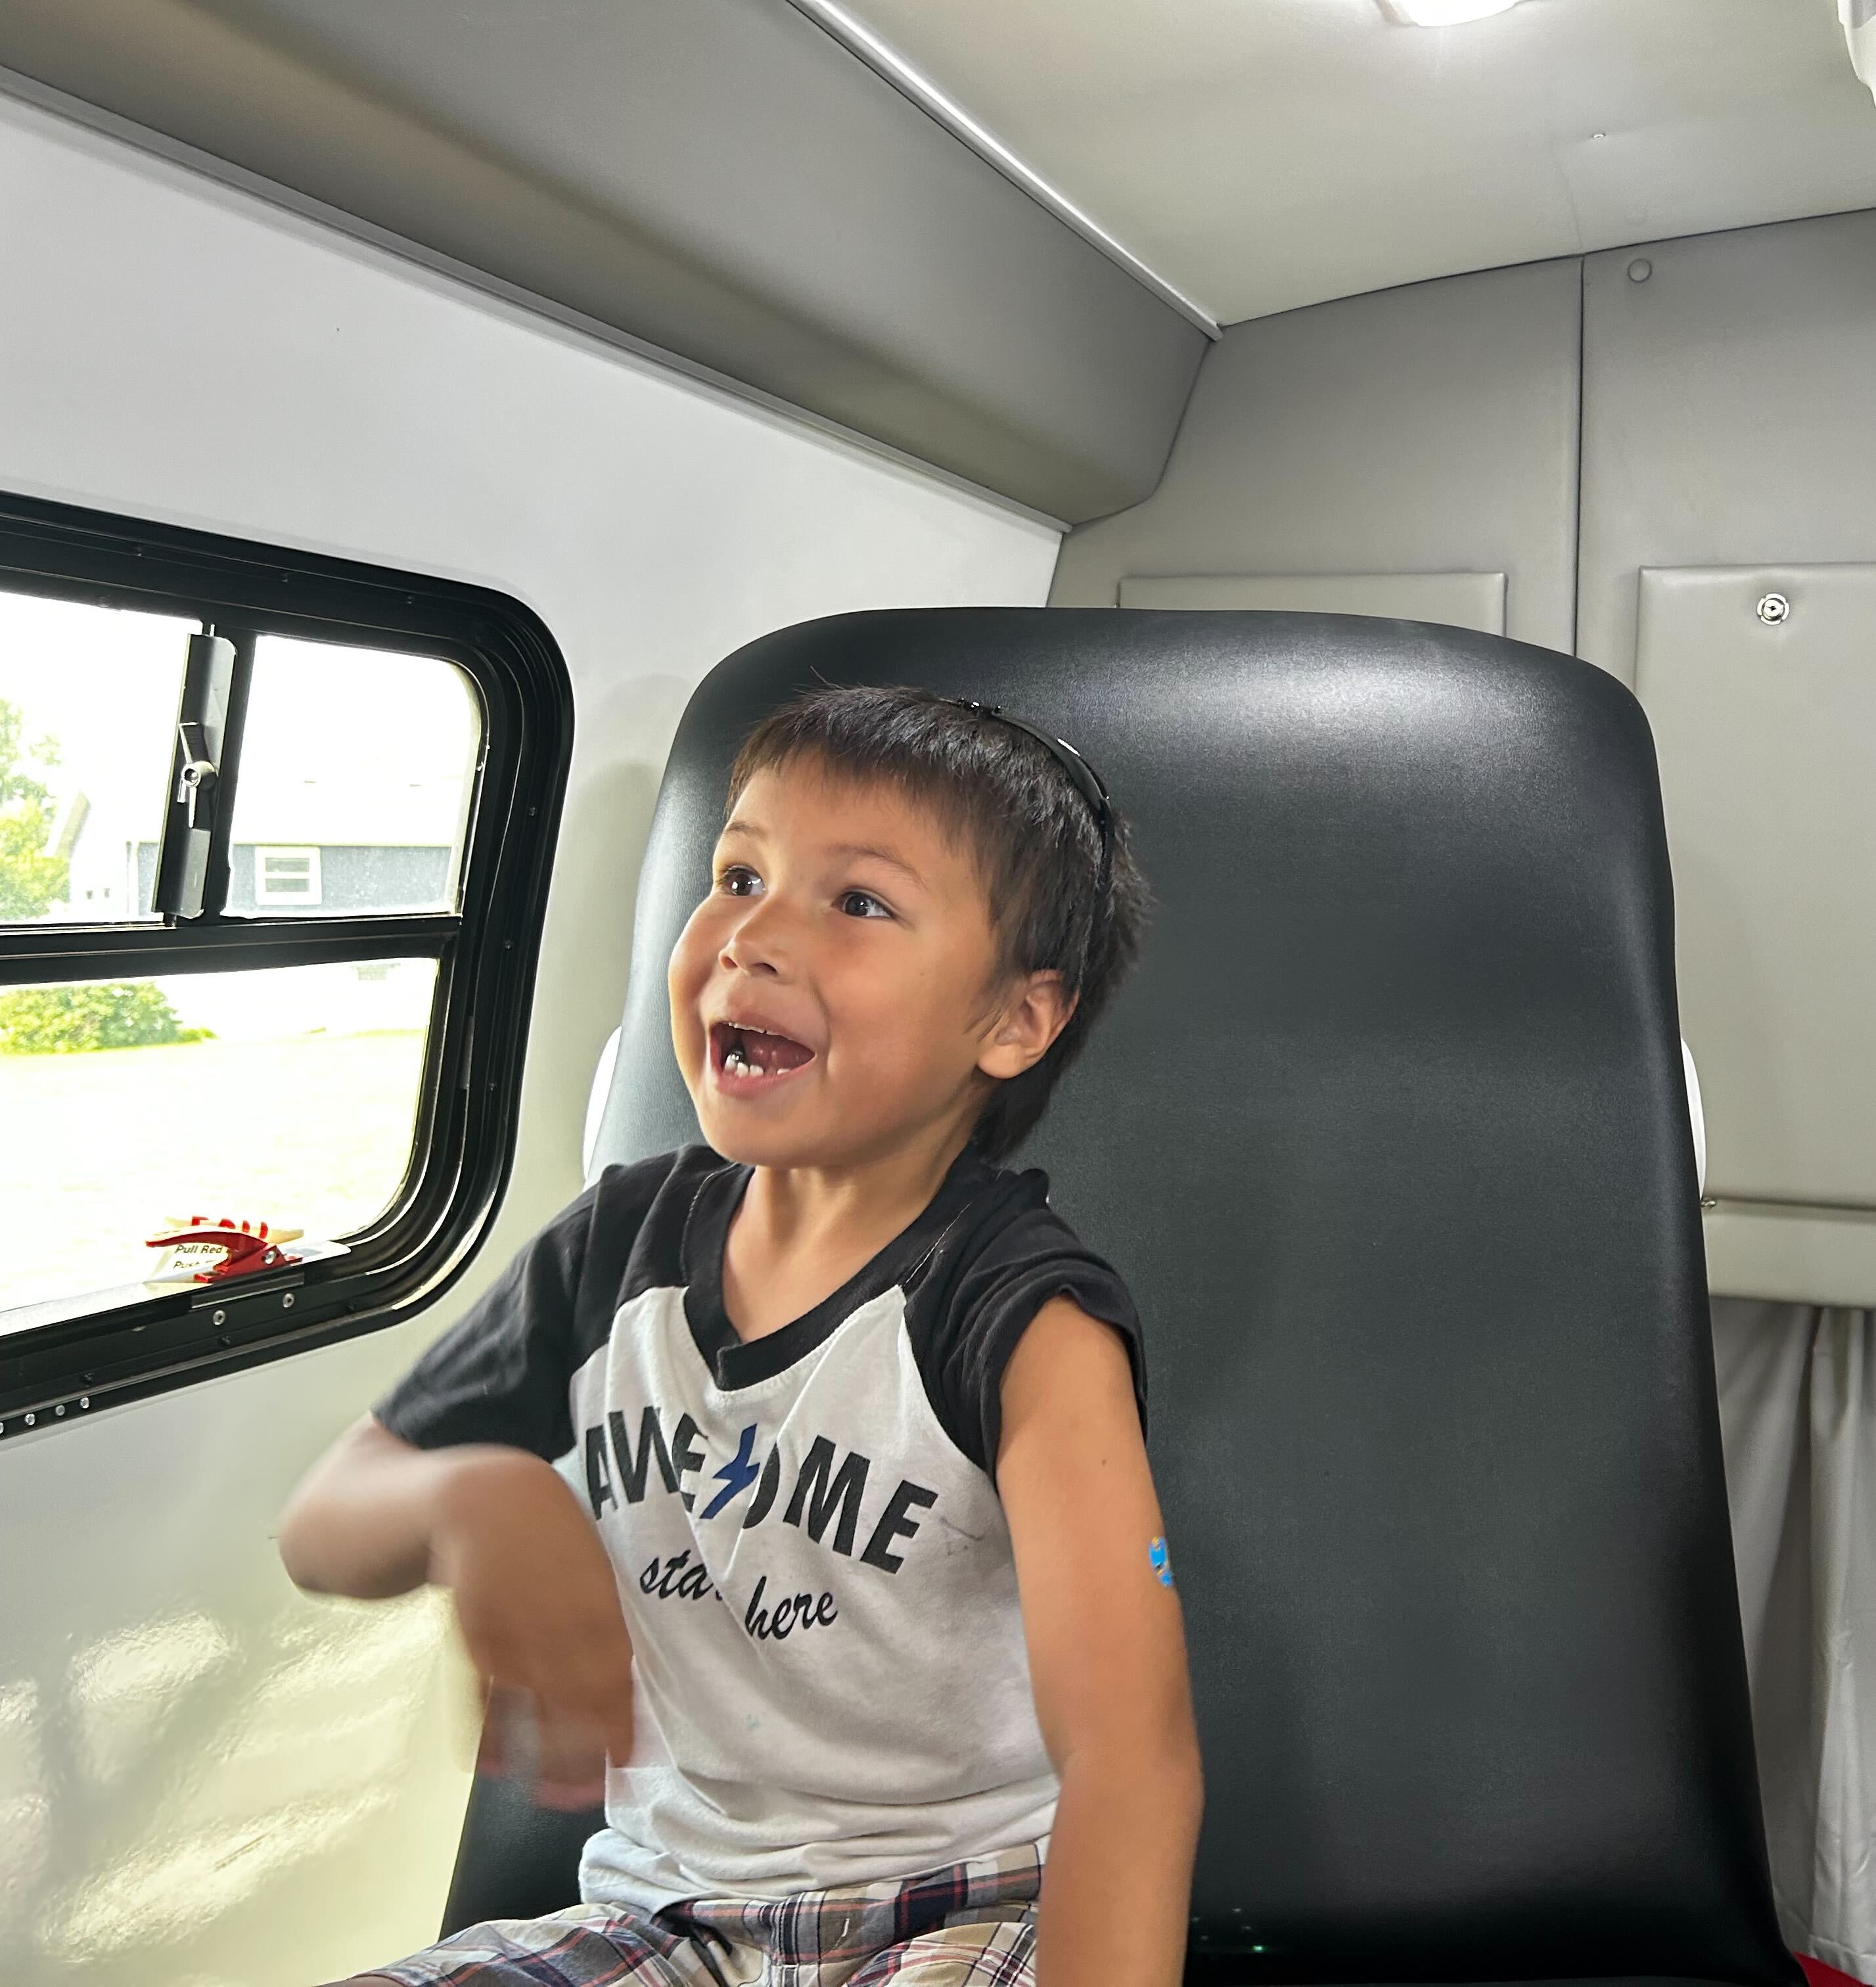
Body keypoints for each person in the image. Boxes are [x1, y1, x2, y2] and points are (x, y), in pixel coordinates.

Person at [278, 686, 1201, 1987]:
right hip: (662, 1918)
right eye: (739, 873)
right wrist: (468, 1496)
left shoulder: (1019, 1318)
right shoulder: (613, 1253)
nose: (752, 937)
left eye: (858, 902)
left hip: (957, 1912)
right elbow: (327, 1520)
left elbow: (1132, 1755)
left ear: (1014, 1019)